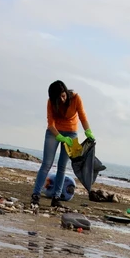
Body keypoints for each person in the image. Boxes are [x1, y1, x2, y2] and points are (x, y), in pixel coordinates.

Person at [32, 80, 94, 208]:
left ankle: (56, 197)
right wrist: (59, 137)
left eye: (63, 95)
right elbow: (50, 124)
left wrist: (88, 131)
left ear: (66, 91)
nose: (62, 99)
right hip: (53, 133)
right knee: (47, 164)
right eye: (58, 98)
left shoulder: (76, 98)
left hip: (71, 133)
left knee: (62, 166)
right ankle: (36, 195)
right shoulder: (50, 102)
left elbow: (83, 117)